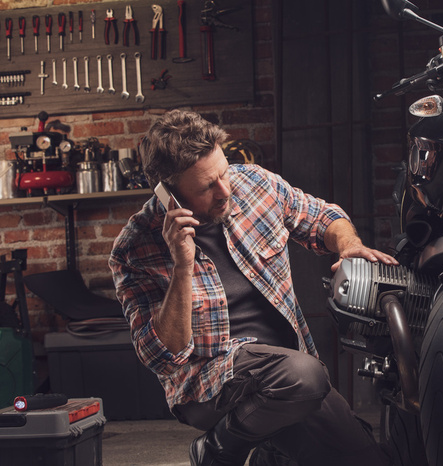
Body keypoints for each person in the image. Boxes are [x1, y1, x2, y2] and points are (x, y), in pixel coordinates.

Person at [109, 109, 397, 466]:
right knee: (306, 376)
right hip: (209, 385)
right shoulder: (133, 249)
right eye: (205, 187)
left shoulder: (255, 184)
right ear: (170, 195)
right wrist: (182, 266)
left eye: (223, 173)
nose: (224, 190)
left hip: (287, 379)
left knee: (368, 459)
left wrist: (349, 245)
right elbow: (162, 356)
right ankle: (220, 449)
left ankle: (255, 451)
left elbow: (322, 217)